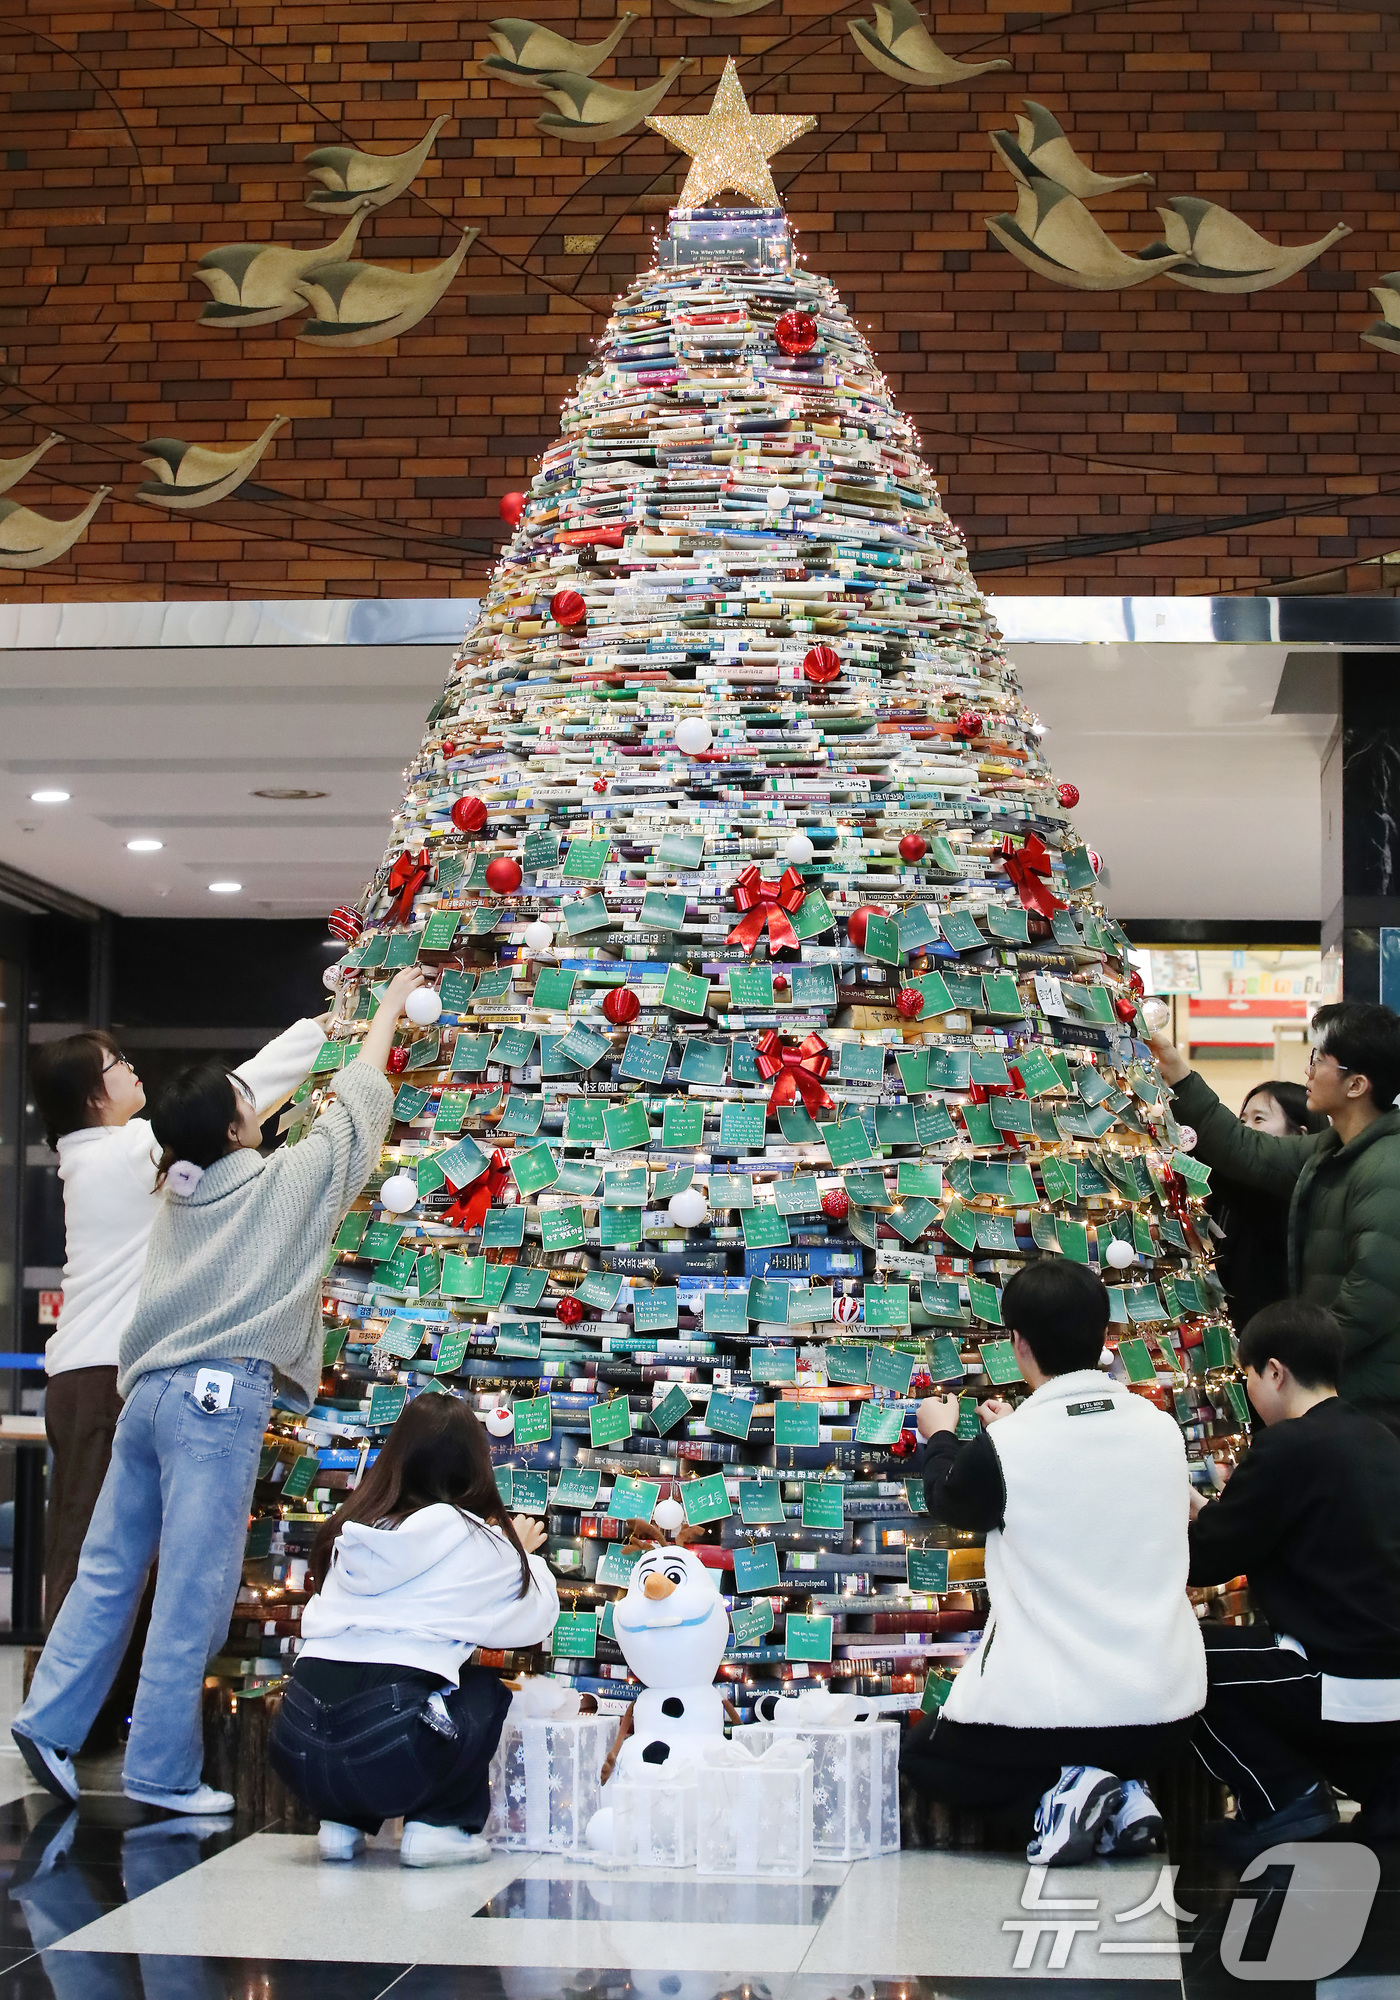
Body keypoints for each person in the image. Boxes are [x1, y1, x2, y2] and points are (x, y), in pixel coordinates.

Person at [11, 966, 421, 1818]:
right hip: (213, 1402)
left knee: (108, 1567)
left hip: (146, 1395)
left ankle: (48, 1718)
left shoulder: (176, 1193)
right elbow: (356, 1111)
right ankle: (161, 1772)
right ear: (239, 1125)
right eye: (245, 1096)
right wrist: (381, 1010)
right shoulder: (275, 1188)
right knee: (193, 1586)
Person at [29, 1014, 326, 1744]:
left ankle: (87, 1716)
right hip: (103, 1378)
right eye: (117, 1065)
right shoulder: (120, 1157)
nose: (133, 1071)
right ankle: (72, 1719)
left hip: (110, 1377)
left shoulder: (109, 1158)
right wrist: (328, 1028)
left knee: (116, 1552)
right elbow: (238, 1094)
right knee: (96, 1556)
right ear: (93, 1096)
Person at [900, 1260, 1205, 1865]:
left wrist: (939, 1436)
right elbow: (1081, 1474)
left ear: (1018, 1342)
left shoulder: (1007, 1448)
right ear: (1103, 1334)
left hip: (1051, 1723)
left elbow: (951, 1495)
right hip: (1167, 1713)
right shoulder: (1161, 1429)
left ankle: (1062, 1798)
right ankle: (1122, 1798)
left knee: (924, 1755)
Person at [270, 1394, 560, 1867]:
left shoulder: (359, 1530)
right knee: (482, 1690)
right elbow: (534, 1620)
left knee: (354, 1690)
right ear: (475, 1461)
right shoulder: (474, 1538)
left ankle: (338, 1825)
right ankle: (438, 1827)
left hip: (296, 1746)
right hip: (390, 1753)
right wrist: (524, 1553)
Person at [1188, 1300, 1400, 1856]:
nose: (1249, 1393)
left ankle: (1282, 1800)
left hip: (1339, 1676)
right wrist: (1208, 1510)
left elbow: (1207, 1559)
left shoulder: (1286, 1446)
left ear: (1274, 1372)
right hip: (1388, 1672)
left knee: (1179, 1657)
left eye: (1247, 1377)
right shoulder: (1379, 1438)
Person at [1150, 1001, 1400, 1434]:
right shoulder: (1331, 1149)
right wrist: (1177, 1071)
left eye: (1319, 1060)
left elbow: (1370, 1297)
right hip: (1336, 1388)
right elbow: (1246, 1151)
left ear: (1356, 1084)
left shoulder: (1387, 1168)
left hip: (1369, 1402)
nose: (1308, 1071)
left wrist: (1290, 1361)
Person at [1208, 1081, 1328, 1339]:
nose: (1245, 1131)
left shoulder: (1295, 1199)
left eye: (1259, 1119)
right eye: (1242, 1122)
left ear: (1299, 1138)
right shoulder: (1228, 1192)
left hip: (1276, 1343)